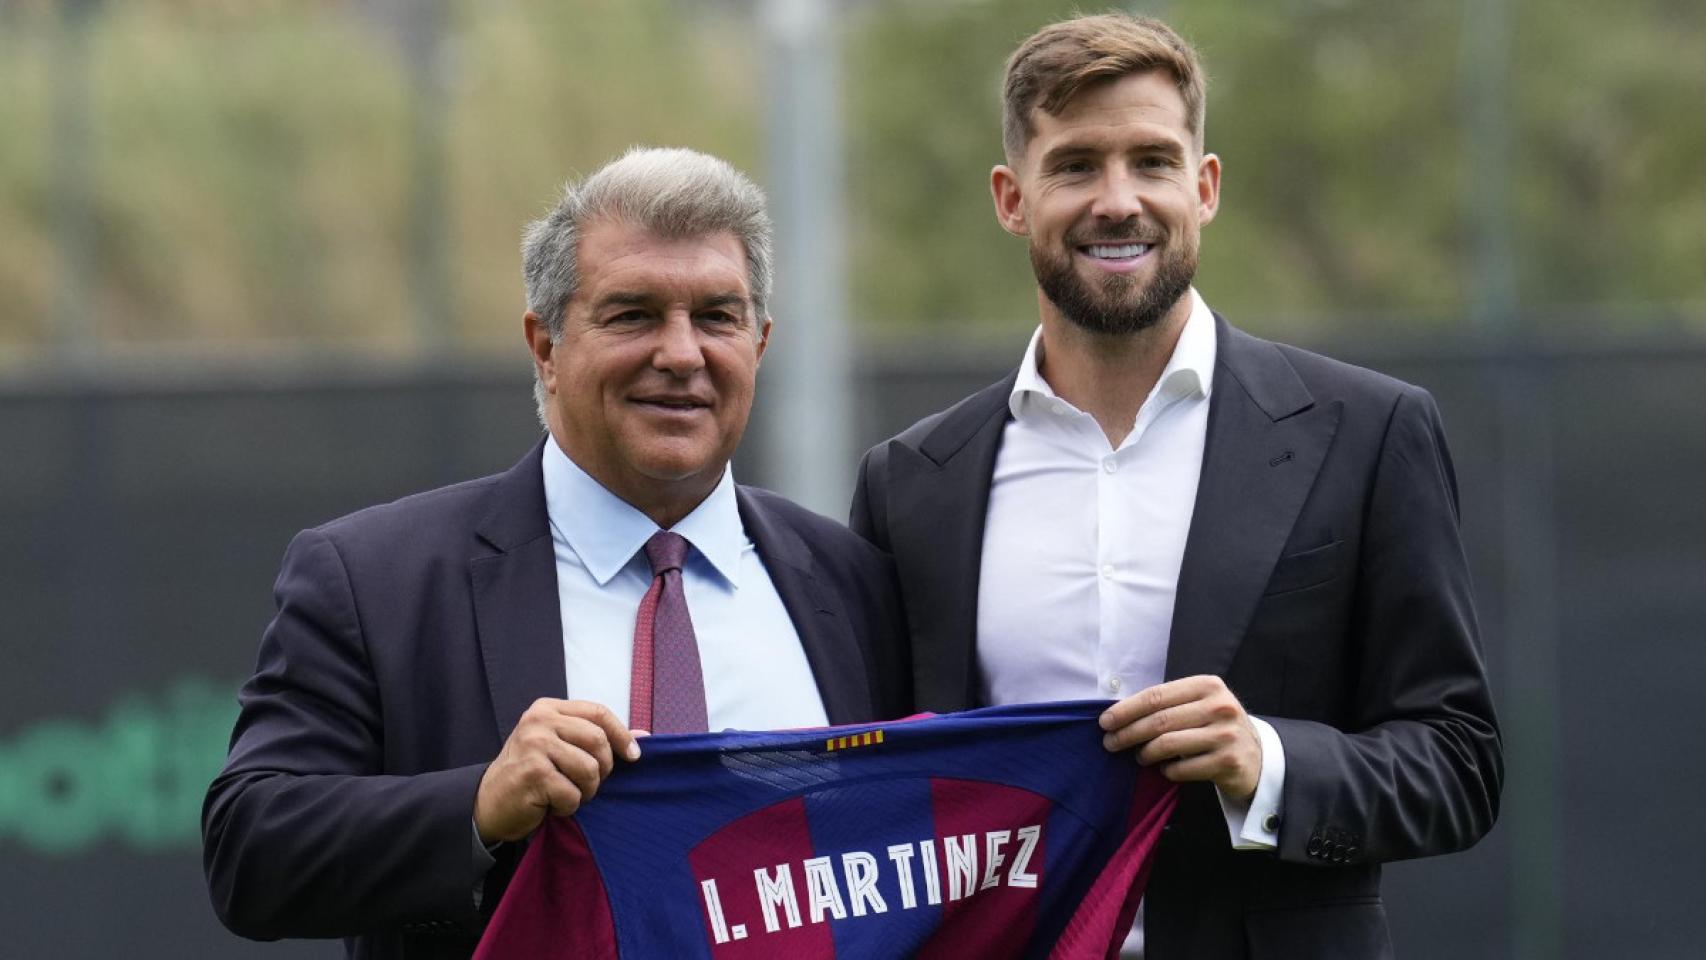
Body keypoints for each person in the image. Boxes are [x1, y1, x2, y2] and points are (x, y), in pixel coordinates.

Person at [850, 14, 1501, 959]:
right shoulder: (912, 483)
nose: (1118, 201)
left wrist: (1266, 762)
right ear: (1012, 199)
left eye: (1152, 161)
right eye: (1076, 166)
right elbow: (867, 792)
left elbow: (1459, 763)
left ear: (1204, 187)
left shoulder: (1367, 432)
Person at [204, 146, 908, 959]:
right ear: (544, 346)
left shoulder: (853, 583)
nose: (682, 354)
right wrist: (480, 804)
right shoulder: (376, 579)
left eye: (717, 316)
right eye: (633, 314)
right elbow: (250, 850)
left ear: (759, 343)